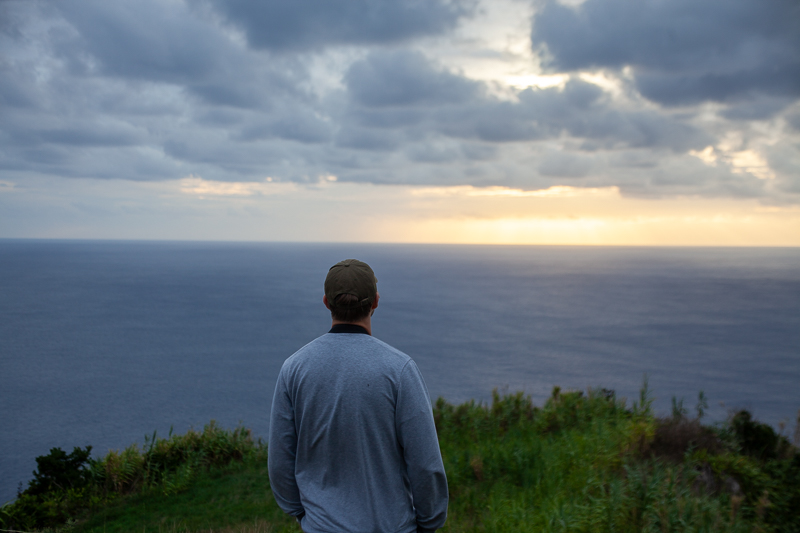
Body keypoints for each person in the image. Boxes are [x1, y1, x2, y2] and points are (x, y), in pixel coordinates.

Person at [268, 259, 448, 533]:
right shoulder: (400, 370)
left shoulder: (294, 368)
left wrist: (304, 515)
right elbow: (426, 466)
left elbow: (280, 463)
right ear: (375, 302)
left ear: (326, 302)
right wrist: (428, 524)